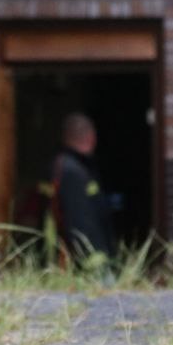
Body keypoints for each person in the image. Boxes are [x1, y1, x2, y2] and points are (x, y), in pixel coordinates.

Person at [41, 112, 115, 272]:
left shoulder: (62, 166)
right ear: (91, 137)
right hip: (82, 265)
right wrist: (96, 264)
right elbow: (80, 221)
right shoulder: (73, 172)